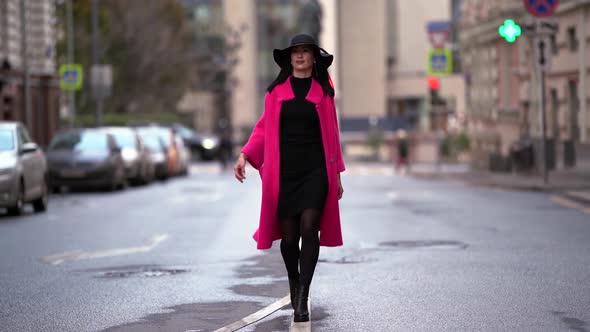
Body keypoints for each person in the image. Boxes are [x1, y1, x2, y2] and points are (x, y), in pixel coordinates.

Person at [233, 34, 345, 322]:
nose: (299, 56)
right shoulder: (275, 93)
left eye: (305, 51)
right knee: (289, 238)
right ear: (289, 58)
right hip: (284, 172)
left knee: (310, 228)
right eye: (295, 51)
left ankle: (303, 297)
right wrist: (245, 154)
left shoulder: (324, 93)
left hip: (316, 169)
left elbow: (332, 135)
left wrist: (337, 175)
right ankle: (294, 281)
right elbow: (262, 128)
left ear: (313, 58)